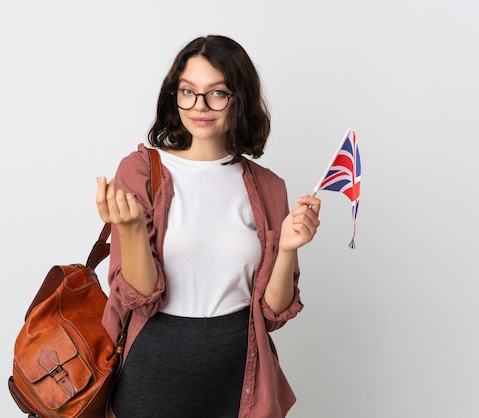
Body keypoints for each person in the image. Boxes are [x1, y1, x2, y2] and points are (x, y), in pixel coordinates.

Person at [96, 35, 321, 418]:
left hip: (238, 377)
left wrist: (287, 248)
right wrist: (131, 228)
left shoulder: (269, 187)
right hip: (152, 372)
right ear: (174, 95)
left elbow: (272, 313)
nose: (199, 106)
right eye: (188, 91)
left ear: (240, 99)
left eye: (217, 93)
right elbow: (141, 295)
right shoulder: (141, 171)